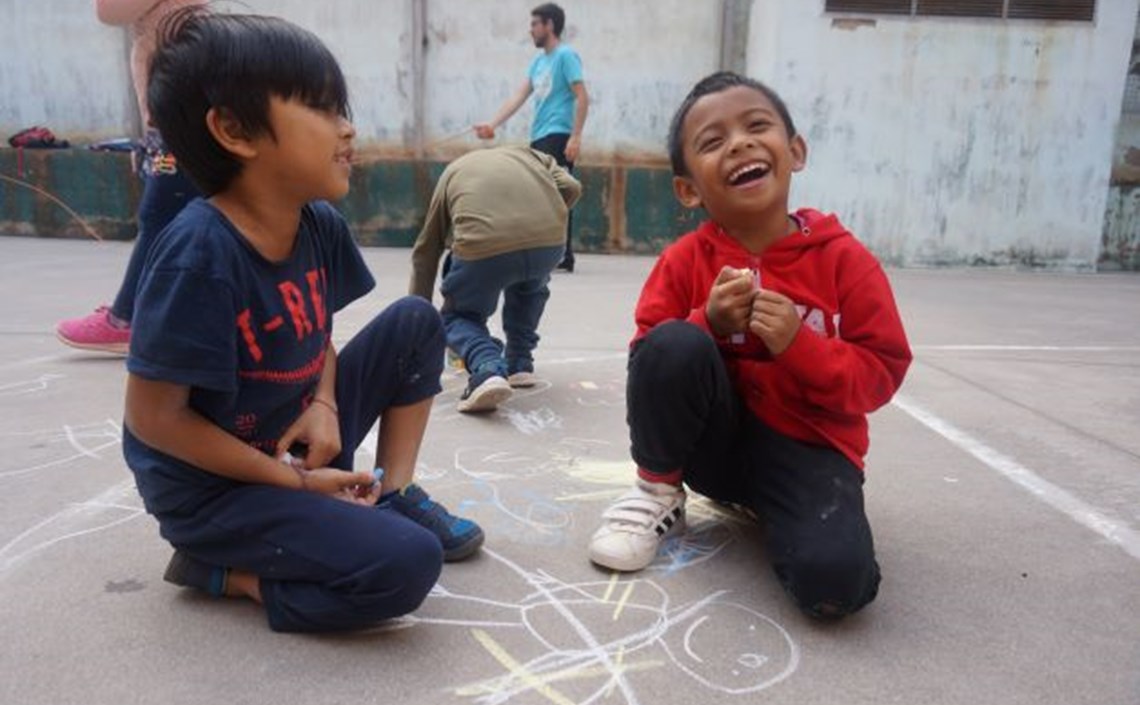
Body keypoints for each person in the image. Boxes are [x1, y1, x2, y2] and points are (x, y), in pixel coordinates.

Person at [122, 10, 484, 634]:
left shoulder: (316, 223)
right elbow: (153, 418)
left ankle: (394, 492)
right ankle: (225, 574)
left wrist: (324, 402)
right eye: (321, 108)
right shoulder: (199, 255)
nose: (348, 128)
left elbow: (318, 335)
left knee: (415, 321)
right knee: (405, 564)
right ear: (235, 130)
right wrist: (293, 483)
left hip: (291, 434)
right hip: (215, 491)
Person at [586, 72, 912, 621]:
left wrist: (799, 345)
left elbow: (882, 371)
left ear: (796, 151)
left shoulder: (844, 260)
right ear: (688, 189)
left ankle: (785, 511)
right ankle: (657, 496)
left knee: (835, 587)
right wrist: (706, 322)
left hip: (810, 451)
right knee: (674, 341)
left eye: (757, 126)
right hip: (714, 451)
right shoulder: (684, 261)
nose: (738, 143)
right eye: (712, 142)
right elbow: (649, 360)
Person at [56, 0, 206, 354]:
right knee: (184, 215)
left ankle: (127, 318)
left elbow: (109, 11)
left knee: (161, 216)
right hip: (180, 107)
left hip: (181, 110)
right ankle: (163, 316)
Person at [409, 146, 581, 413]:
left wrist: (416, 320)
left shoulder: (453, 172)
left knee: (458, 317)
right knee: (531, 286)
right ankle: (520, 363)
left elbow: (426, 251)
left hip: (483, 246)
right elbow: (571, 187)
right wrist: (544, 218)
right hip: (549, 243)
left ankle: (487, 367)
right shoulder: (533, 155)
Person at [474, 2, 587, 273]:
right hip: (539, 136)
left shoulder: (566, 56)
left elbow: (582, 96)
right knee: (541, 195)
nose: (531, 30)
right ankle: (553, 253)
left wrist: (576, 136)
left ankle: (563, 255)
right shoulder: (538, 62)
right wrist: (493, 124)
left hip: (559, 134)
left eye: (535, 24)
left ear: (549, 25)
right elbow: (519, 96)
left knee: (558, 194)